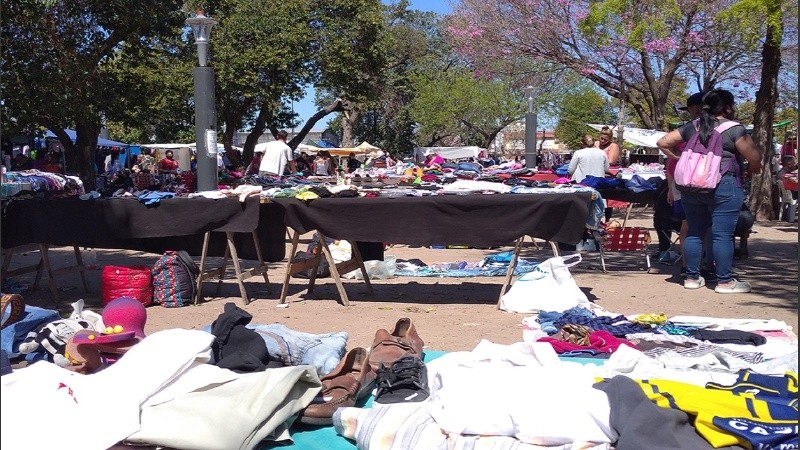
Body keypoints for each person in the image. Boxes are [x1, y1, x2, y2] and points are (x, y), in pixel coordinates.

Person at [657, 89, 762, 294]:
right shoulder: (734, 129)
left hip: (691, 187)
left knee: (694, 231)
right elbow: (754, 157)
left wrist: (681, 157)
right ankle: (724, 281)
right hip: (723, 184)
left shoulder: (692, 126)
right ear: (728, 107)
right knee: (722, 234)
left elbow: (662, 142)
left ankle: (692, 278)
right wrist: (754, 165)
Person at [665, 92, 705, 276]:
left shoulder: (692, 129)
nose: (689, 112)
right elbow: (669, 159)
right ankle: (689, 266)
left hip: (688, 182)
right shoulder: (688, 130)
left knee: (692, 225)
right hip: (687, 183)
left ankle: (693, 265)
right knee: (689, 225)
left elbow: (669, 159)